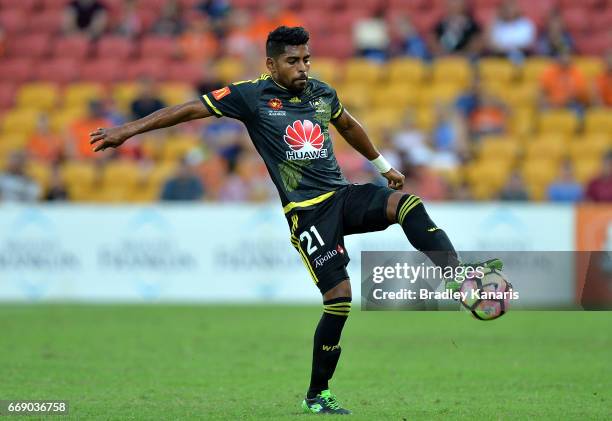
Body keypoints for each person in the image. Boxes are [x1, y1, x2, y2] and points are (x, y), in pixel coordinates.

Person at [89, 26, 502, 415]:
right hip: (306, 214)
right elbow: (189, 110)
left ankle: (457, 277)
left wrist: (381, 164)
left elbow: (348, 124)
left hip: (341, 196)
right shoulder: (249, 96)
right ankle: (317, 395)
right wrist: (127, 130)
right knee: (339, 299)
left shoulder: (322, 92)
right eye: (293, 61)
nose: (303, 67)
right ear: (271, 65)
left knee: (406, 204)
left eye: (306, 59)